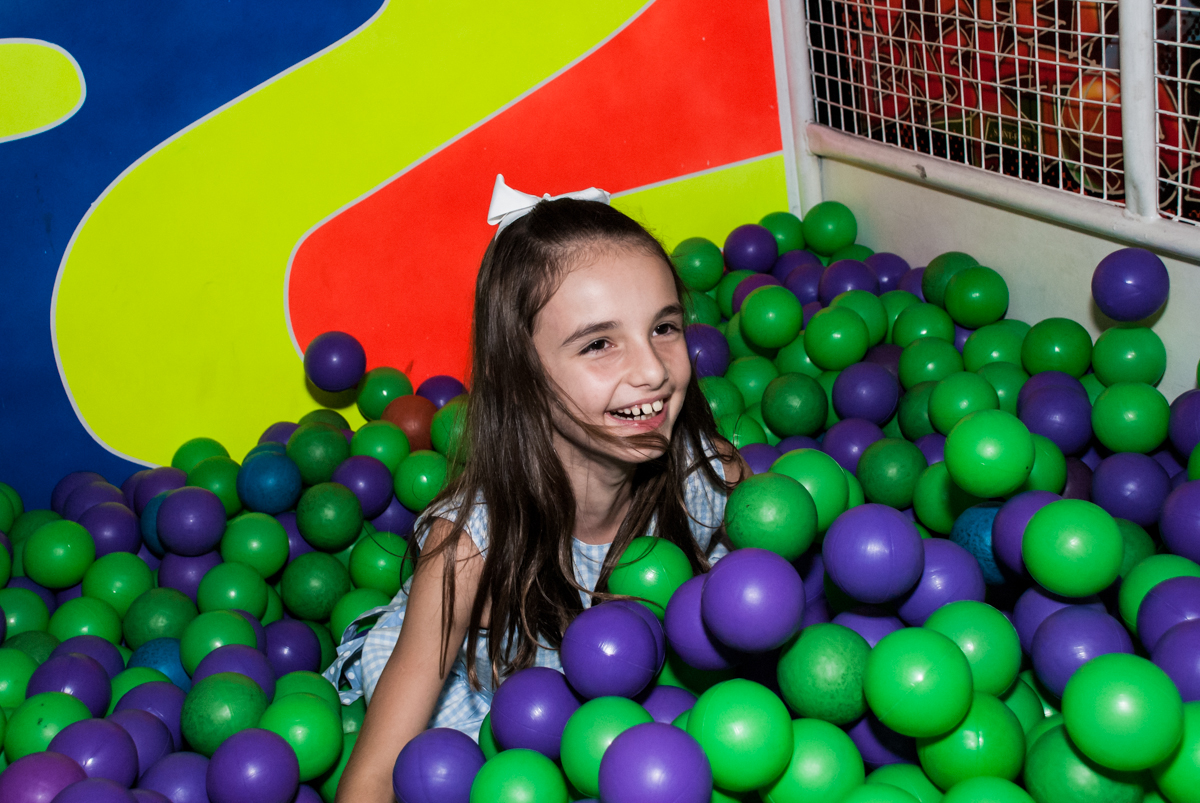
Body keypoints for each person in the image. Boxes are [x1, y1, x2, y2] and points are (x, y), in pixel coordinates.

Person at [330, 175, 745, 802]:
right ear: (520, 374)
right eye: (600, 344)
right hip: (489, 694)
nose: (653, 371)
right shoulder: (468, 548)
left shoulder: (707, 475)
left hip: (638, 722)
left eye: (664, 328)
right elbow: (376, 774)